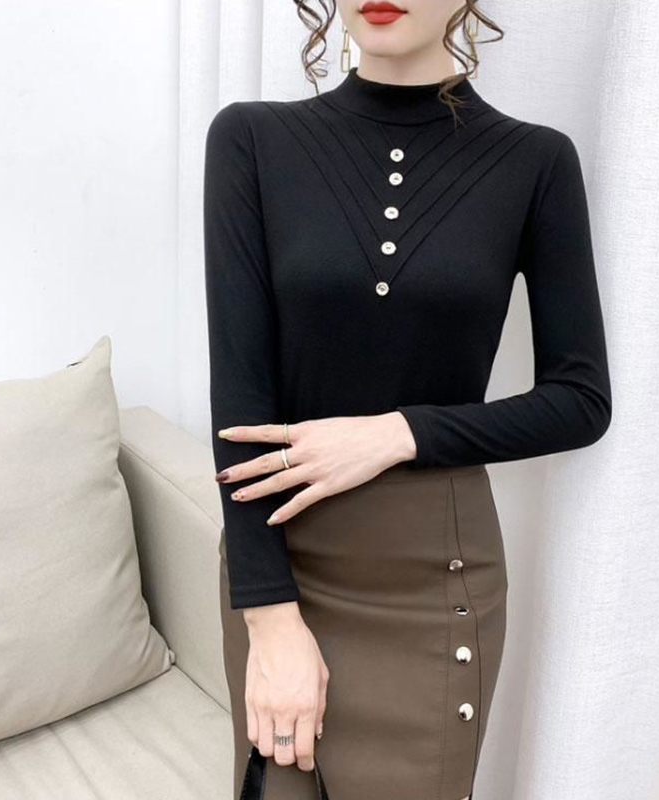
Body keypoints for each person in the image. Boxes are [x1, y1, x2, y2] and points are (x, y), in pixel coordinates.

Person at [203, 1, 612, 798]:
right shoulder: (251, 139)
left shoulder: (535, 162)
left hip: (437, 576)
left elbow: (581, 399)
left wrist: (398, 433)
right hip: (283, 564)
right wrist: (270, 620)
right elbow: (240, 404)